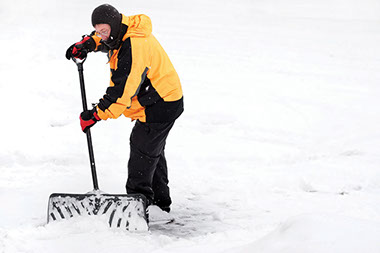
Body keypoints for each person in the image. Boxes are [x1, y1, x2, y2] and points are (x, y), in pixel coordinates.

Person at [65, 4, 184, 216]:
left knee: (142, 148)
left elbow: (121, 92)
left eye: (104, 31)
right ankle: (159, 203)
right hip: (158, 99)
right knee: (151, 150)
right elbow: (108, 40)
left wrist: (96, 114)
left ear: (115, 25)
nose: (102, 35)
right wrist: (88, 43)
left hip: (162, 103)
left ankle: (138, 205)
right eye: (98, 30)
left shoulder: (134, 46)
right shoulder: (122, 31)